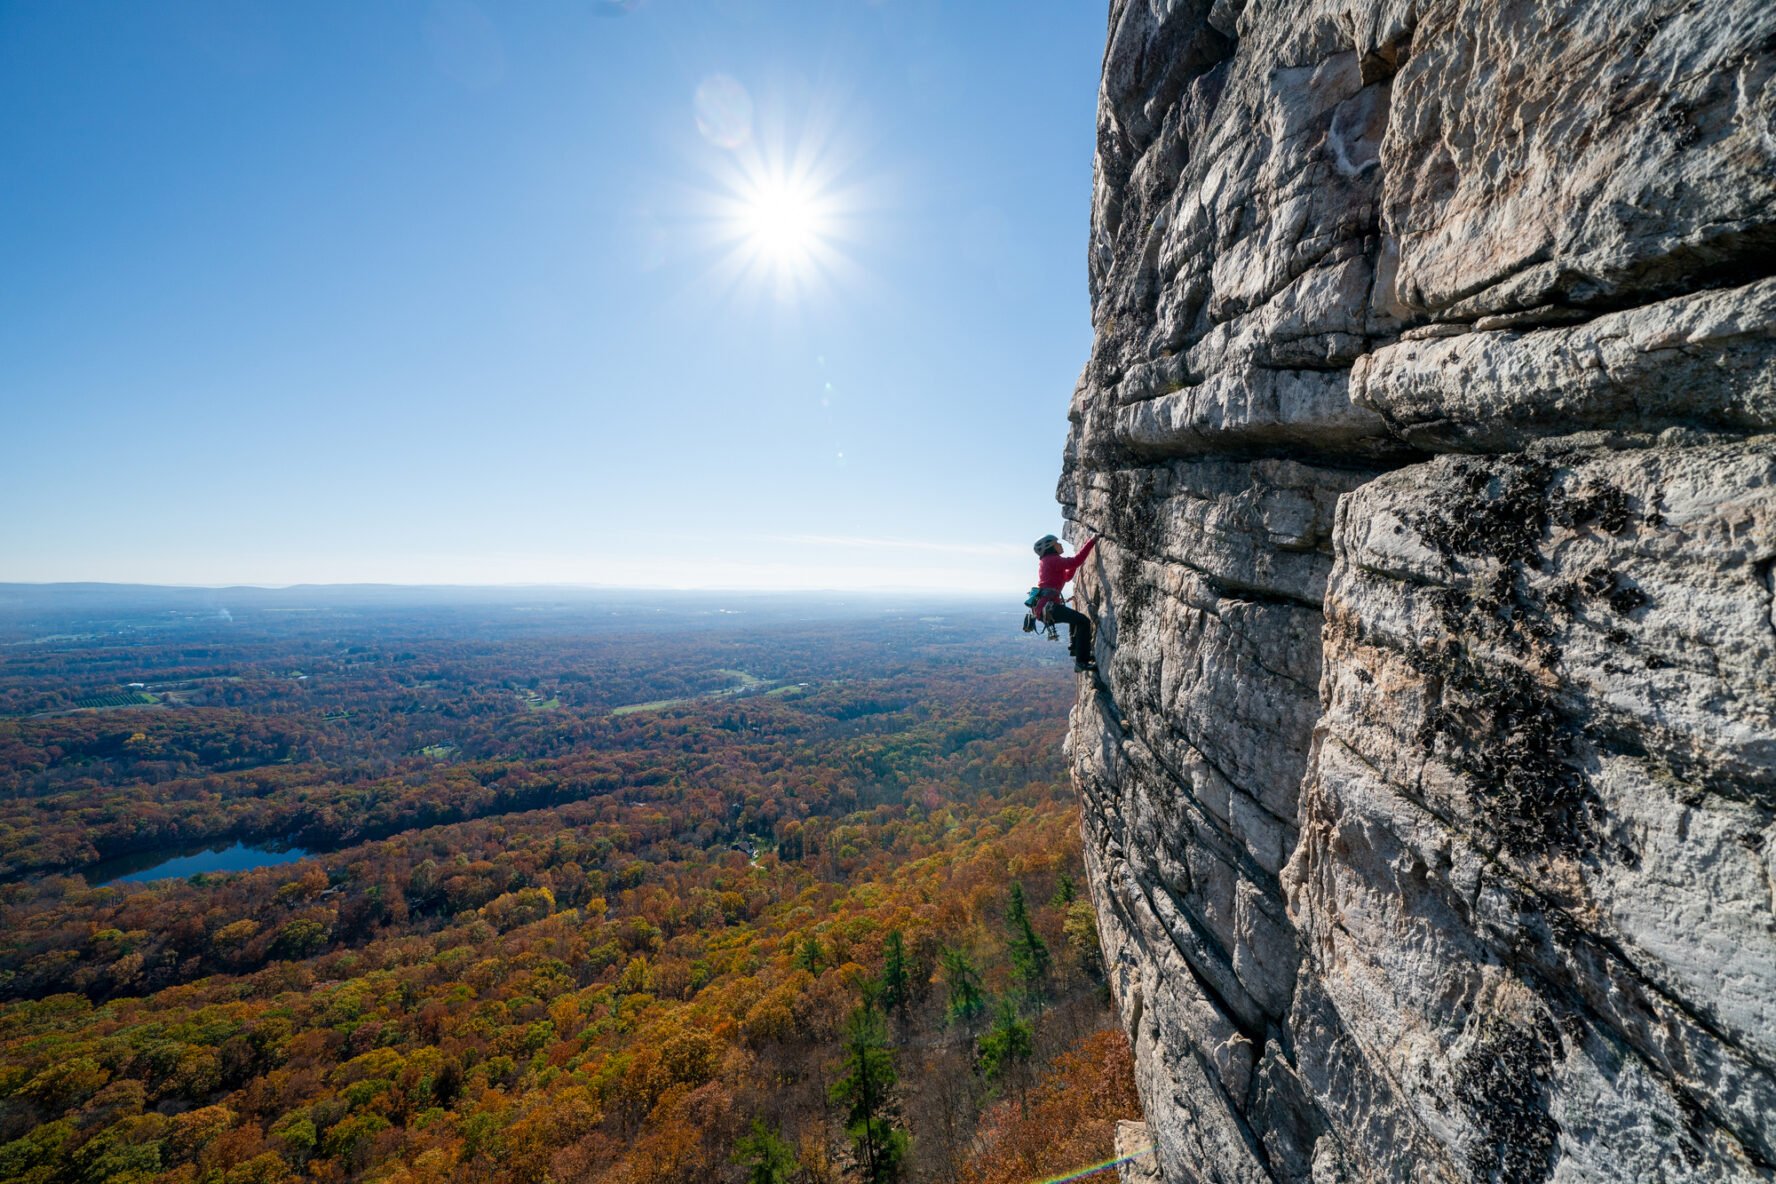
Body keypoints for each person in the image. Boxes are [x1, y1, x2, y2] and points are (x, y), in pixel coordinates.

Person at [1032, 533, 1098, 671]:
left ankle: (1076, 648)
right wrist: (1092, 541)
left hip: (1045, 607)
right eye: (1057, 543)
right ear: (1050, 546)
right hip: (1048, 606)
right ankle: (1081, 661)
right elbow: (1075, 561)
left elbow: (1067, 577)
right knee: (1083, 621)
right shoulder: (1051, 559)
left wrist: (1074, 564)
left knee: (1076, 619)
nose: (1060, 545)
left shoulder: (1049, 561)